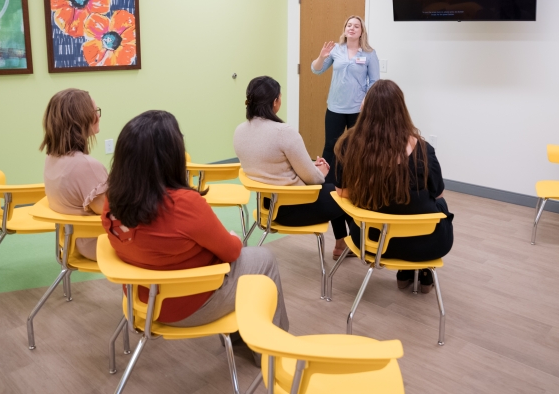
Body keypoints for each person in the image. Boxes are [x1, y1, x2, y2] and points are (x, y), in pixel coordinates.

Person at [103, 110, 289, 333]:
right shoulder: (183, 205)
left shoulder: (111, 200)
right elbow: (231, 252)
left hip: (141, 301)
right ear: (171, 155)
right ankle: (272, 350)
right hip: (188, 305)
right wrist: (234, 238)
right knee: (264, 258)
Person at [334, 80, 454, 293]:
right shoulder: (425, 151)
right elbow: (438, 194)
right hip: (427, 244)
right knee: (439, 204)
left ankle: (406, 269)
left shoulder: (348, 145)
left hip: (371, 241)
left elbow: (343, 194)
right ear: (401, 110)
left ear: (366, 109)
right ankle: (419, 269)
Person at [234, 76, 354, 260]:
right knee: (342, 191)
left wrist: (309, 166)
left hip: (266, 208)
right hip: (293, 209)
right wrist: (319, 172)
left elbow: (272, 167)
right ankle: (355, 243)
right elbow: (314, 180)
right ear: (275, 102)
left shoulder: (239, 131)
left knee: (332, 187)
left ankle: (341, 244)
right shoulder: (284, 132)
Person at [311, 15, 380, 184]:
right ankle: (327, 182)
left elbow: (374, 81)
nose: (352, 28)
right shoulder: (336, 49)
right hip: (335, 107)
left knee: (356, 147)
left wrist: (366, 100)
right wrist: (321, 57)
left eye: (356, 26)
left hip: (358, 108)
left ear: (361, 31)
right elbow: (316, 70)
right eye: (349, 25)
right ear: (345, 29)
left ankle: (353, 182)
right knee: (330, 146)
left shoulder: (369, 54)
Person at [40, 88, 106, 261]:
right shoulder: (86, 166)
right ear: (81, 119)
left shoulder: (51, 157)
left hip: (70, 240)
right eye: (95, 111)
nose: (98, 116)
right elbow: (112, 212)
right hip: (97, 244)